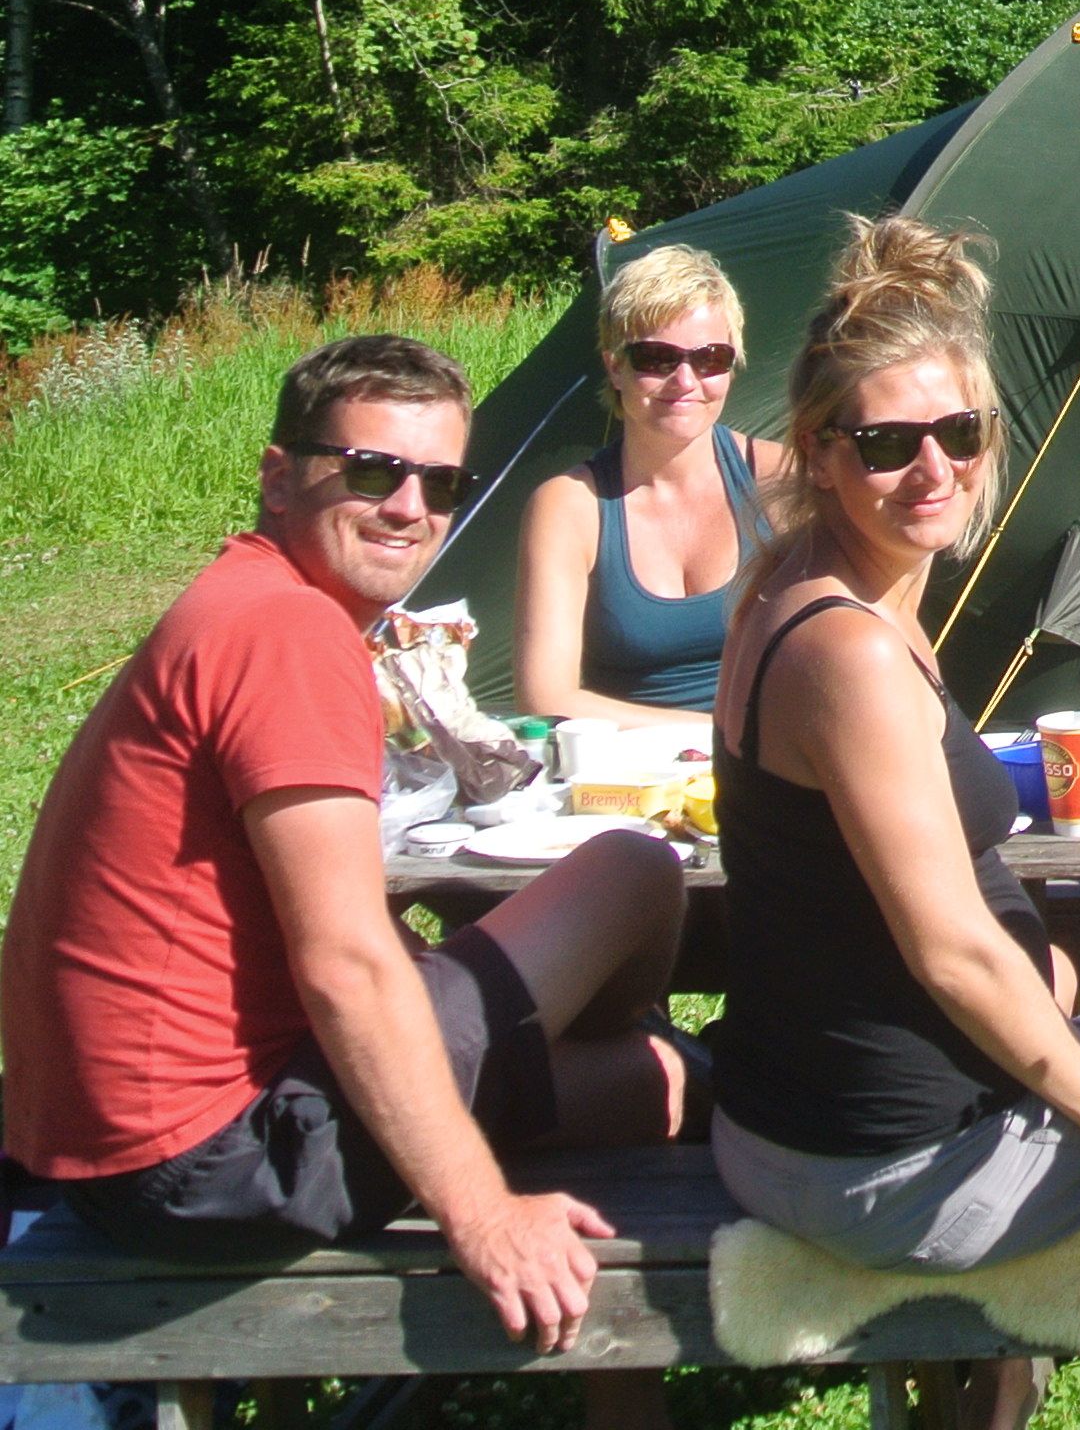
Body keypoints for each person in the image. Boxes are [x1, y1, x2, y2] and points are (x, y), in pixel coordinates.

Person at [0, 335, 701, 1396]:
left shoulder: (244, 603)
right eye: (373, 471)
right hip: (208, 1159)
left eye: (442, 483)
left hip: (126, 1142)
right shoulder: (289, 633)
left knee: (627, 1019)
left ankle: (593, 1081)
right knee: (640, 922)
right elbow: (343, 966)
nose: (407, 508)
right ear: (281, 476)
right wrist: (482, 1215)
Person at [707, 216, 1080, 1430]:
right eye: (885, 443)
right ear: (816, 454)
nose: (933, 469)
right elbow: (952, 953)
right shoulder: (852, 656)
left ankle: (986, 1389)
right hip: (894, 1174)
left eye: (959, 433)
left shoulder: (800, 586)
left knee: (1079, 961)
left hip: (782, 1118)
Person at [517, 245, 785, 726]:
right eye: (657, 358)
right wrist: (719, 735)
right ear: (614, 366)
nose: (685, 380)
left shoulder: (780, 481)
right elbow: (545, 696)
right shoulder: (571, 506)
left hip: (771, 772)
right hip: (629, 783)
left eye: (710, 358)